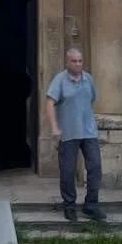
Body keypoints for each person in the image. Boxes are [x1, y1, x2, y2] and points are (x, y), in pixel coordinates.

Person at [45, 47, 106, 222]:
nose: (78, 64)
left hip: (89, 132)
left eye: (80, 61)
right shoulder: (60, 80)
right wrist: (55, 127)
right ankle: (69, 205)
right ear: (67, 61)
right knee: (67, 171)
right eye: (74, 61)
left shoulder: (88, 79)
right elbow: (50, 103)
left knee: (95, 167)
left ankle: (91, 205)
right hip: (68, 133)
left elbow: (92, 99)